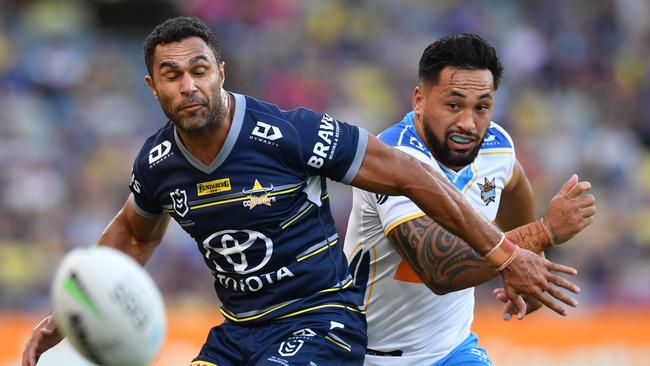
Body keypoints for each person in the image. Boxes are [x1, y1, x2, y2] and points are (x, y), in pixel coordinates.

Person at [23, 18, 581, 366]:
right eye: (172, 76)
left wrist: (512, 251)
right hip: (238, 334)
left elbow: (416, 178)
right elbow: (130, 234)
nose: (189, 85)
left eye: (199, 69)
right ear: (152, 86)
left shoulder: (293, 133)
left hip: (321, 324)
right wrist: (71, 308)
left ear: (222, 70)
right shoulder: (158, 163)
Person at [344, 33, 597, 366]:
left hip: (451, 351)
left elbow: (514, 184)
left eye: (482, 107)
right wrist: (542, 233)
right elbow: (438, 268)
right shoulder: (392, 160)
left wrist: (528, 262)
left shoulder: (496, 146)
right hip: (365, 354)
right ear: (419, 100)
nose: (468, 122)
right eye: (453, 105)